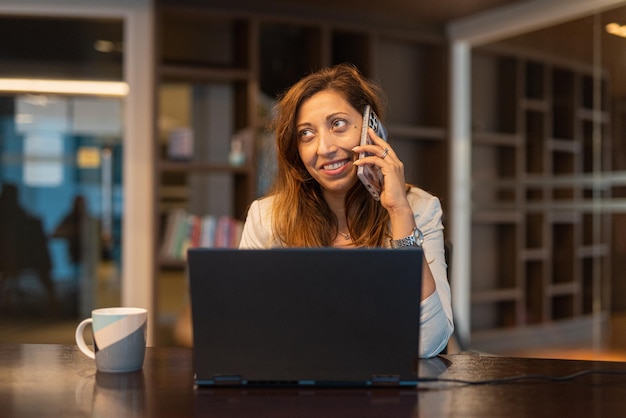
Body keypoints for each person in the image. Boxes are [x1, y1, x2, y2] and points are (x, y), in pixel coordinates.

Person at [239, 63, 454, 358]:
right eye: (306, 133)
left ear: (371, 130)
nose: (324, 147)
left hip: (384, 391)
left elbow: (429, 342)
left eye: (338, 124)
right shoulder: (266, 217)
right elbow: (243, 330)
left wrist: (399, 212)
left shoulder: (419, 207)